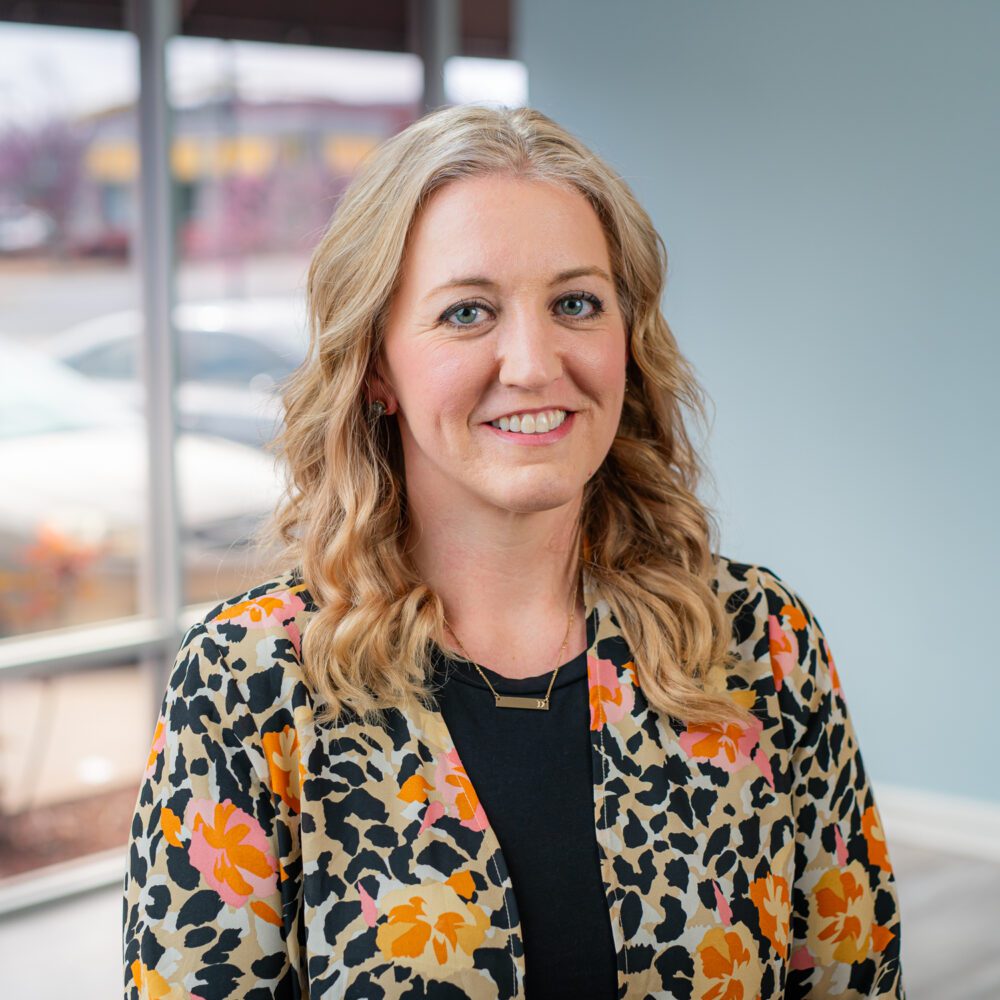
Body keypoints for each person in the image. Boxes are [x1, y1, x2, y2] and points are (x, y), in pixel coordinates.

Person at [123, 104, 903, 999]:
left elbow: (856, 983)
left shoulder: (761, 644)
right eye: (468, 313)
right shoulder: (249, 681)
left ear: (627, 339)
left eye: (576, 303)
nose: (534, 363)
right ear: (376, 366)